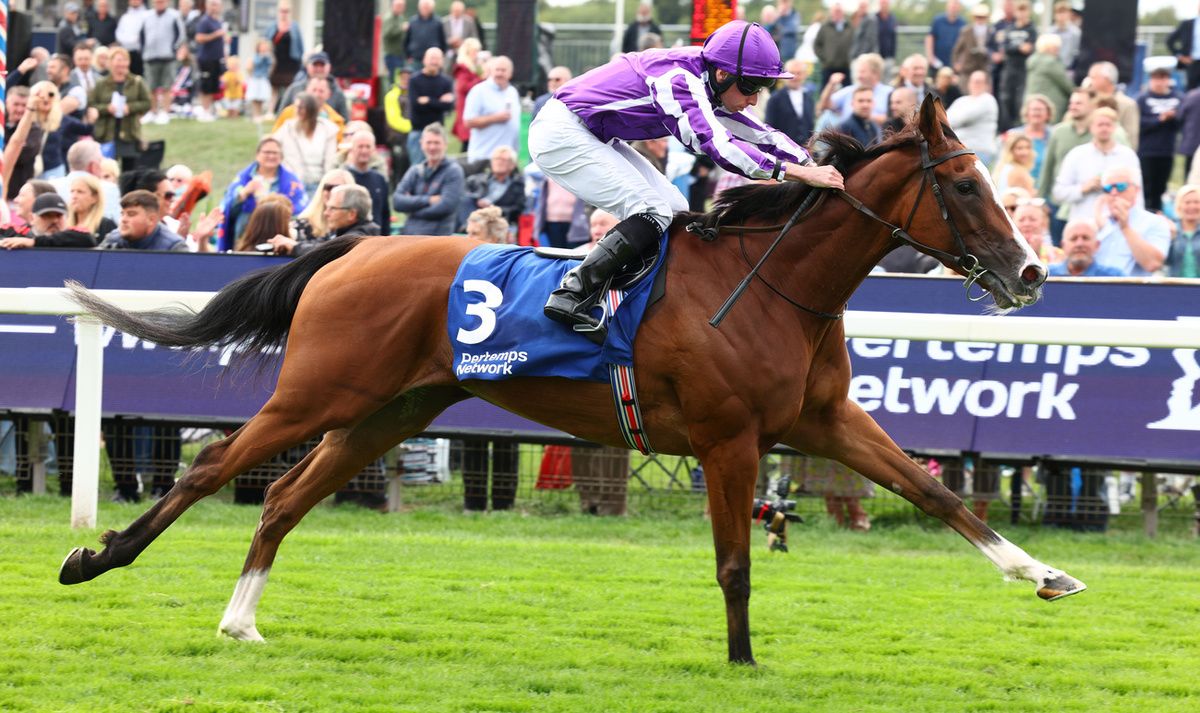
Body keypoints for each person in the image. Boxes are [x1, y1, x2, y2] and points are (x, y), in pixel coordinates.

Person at [530, 20, 842, 339]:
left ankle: (639, 296)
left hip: (593, 134)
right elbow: (719, 146)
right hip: (561, 133)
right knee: (652, 209)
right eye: (750, 87)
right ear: (724, 75)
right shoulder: (678, 79)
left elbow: (761, 134)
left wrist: (812, 163)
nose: (754, 100)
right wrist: (799, 173)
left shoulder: (711, 79)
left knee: (675, 208)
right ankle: (572, 294)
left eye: (762, 89)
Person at [219, 135, 307, 250]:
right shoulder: (243, 179)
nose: (271, 156)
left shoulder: (292, 183)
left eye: (275, 153)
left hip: (279, 237)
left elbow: (300, 210)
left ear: (281, 156)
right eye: (267, 152)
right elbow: (227, 209)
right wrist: (244, 194)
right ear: (257, 155)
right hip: (246, 238)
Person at [1052, 108, 1140, 224]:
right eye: (1100, 124)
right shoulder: (1077, 154)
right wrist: (1083, 188)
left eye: (1108, 124)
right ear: (1091, 127)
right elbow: (1059, 192)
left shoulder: (1128, 155)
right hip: (1084, 224)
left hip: (1119, 224)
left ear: (1114, 128)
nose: (1104, 128)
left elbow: (1138, 193)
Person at [1091, 166, 1170, 277]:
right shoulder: (1095, 223)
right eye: (1108, 188)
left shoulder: (1155, 222)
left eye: (1120, 186)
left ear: (1136, 190)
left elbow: (1153, 264)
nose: (1113, 193)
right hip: (1093, 290)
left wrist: (1125, 228)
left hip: (1132, 291)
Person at [393, 123, 464, 236]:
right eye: (429, 143)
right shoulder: (415, 171)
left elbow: (446, 206)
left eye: (436, 143)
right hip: (409, 235)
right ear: (421, 144)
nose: (432, 147)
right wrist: (428, 200)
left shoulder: (453, 171)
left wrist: (412, 210)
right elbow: (397, 201)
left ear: (445, 145)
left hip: (437, 238)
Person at [269, 168, 354, 254]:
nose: (332, 192)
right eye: (328, 187)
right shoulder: (303, 224)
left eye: (338, 188)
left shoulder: (357, 227)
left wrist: (296, 247)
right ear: (321, 190)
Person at [462, 55, 521, 172]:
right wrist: (495, 118)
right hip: (483, 158)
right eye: (497, 70)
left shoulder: (512, 92)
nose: (499, 73)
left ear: (510, 73)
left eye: (503, 70)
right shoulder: (479, 91)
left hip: (507, 159)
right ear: (491, 71)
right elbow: (468, 122)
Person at [1138, 68, 1183, 213]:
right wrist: (1159, 119)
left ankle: (1157, 214)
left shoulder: (1178, 98)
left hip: (1166, 151)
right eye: (1156, 79)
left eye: (1163, 79)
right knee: (1146, 187)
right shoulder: (1142, 99)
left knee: (1160, 188)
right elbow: (1139, 123)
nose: (1159, 83)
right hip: (1146, 151)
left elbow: (1183, 122)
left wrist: (1173, 118)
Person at [277, 92, 339, 193]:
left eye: (301, 107)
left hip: (319, 184)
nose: (297, 111)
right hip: (293, 184)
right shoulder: (287, 129)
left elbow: (330, 161)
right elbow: (273, 148)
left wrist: (327, 184)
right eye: (296, 107)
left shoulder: (327, 130)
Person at [139, 0, 186, 125]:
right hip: (150, 56)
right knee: (150, 87)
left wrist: (174, 49)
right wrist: (144, 50)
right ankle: (152, 112)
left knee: (166, 86)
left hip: (168, 56)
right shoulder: (146, 16)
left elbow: (180, 35)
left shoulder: (174, 16)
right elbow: (142, 35)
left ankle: (165, 112)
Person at [407, 47, 454, 165]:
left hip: (438, 132)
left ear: (442, 61)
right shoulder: (414, 80)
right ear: (424, 60)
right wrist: (439, 102)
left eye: (437, 58)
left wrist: (428, 100)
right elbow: (416, 105)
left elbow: (449, 106)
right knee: (418, 168)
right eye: (431, 58)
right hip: (418, 132)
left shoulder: (446, 81)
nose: (434, 62)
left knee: (438, 167)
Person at [0, 192, 96, 249]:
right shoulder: (18, 231)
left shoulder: (74, 236)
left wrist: (34, 242)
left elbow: (88, 239)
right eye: (46, 216)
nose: (54, 220)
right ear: (32, 218)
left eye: (59, 216)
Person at [994, 0, 1035, 132]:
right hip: (1009, 69)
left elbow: (1030, 48)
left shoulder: (1031, 29)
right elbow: (1005, 48)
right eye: (1020, 10)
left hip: (1024, 70)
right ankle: (1006, 130)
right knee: (1005, 99)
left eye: (1024, 10)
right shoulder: (1009, 29)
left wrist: (1016, 48)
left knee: (1020, 101)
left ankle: (1019, 128)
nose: (1022, 14)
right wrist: (1019, 47)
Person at [99, 189, 187, 251]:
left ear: (151, 219)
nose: (124, 219)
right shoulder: (112, 240)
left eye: (131, 214)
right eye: (122, 214)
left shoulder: (173, 247)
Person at [462, 145, 523, 229]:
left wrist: (493, 208)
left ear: (512, 165)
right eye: (496, 159)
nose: (499, 162)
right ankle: (467, 227)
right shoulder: (476, 179)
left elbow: (518, 209)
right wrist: (477, 199)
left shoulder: (518, 184)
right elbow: (464, 195)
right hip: (475, 216)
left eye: (503, 160)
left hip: (500, 222)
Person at [819, 52, 890, 125]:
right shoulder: (850, 91)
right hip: (848, 134)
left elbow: (893, 119)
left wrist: (862, 116)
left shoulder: (889, 94)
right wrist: (831, 85)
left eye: (862, 72)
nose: (858, 76)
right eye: (858, 72)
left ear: (875, 73)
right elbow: (824, 106)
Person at [945, 70, 998, 165]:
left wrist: (953, 120)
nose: (975, 84)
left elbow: (962, 119)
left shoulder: (988, 100)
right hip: (957, 151)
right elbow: (944, 121)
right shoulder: (961, 101)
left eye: (979, 82)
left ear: (987, 85)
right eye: (973, 81)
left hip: (979, 152)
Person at [275, 52, 349, 119]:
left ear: (329, 67)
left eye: (322, 65)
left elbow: (344, 121)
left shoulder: (337, 93)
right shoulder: (294, 89)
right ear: (307, 67)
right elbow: (280, 116)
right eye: (315, 65)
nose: (319, 69)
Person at [344, 131, 391, 232]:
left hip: (377, 238)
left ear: (373, 149)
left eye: (368, 146)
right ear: (352, 149)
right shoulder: (344, 178)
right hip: (350, 239)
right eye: (360, 146)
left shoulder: (379, 179)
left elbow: (385, 214)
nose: (364, 150)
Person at [1087, 61, 1139, 151]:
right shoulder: (1086, 101)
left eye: (1093, 77)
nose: (1089, 82)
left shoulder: (1127, 104)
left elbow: (1131, 137)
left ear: (1106, 79)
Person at [1048, 219, 1125, 277]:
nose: (1079, 244)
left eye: (1085, 238)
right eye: (1073, 239)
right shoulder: (1045, 277)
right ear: (1063, 245)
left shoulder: (1114, 278)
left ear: (1097, 245)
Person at [765, 58, 815, 145]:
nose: (794, 77)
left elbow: (810, 125)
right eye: (792, 73)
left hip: (805, 149)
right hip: (783, 149)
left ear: (805, 75)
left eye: (798, 73)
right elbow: (770, 127)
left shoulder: (809, 97)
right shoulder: (775, 99)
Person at [1024, 34, 1071, 123]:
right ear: (1049, 47)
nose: (1058, 51)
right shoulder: (1050, 62)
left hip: (1034, 102)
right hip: (1051, 105)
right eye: (1056, 48)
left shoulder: (1033, 60)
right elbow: (1065, 83)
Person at [193, 0, 226, 123]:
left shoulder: (218, 21)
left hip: (216, 58)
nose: (215, 7)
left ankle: (209, 110)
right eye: (212, 4)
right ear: (207, 6)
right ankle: (204, 110)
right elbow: (199, 37)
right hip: (206, 59)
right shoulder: (204, 21)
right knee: (205, 85)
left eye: (217, 4)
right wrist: (215, 35)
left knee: (213, 86)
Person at [266, 2, 303, 109]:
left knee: (290, 90)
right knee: (274, 90)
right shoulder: (272, 26)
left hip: (291, 64)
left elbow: (300, 45)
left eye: (286, 11)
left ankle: (288, 111)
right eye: (282, 11)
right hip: (275, 64)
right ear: (278, 12)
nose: (284, 13)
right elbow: (265, 42)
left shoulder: (295, 26)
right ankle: (270, 112)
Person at [451, 37, 484, 151]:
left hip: (468, 107)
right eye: (475, 51)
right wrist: (480, 80)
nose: (477, 54)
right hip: (465, 108)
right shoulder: (463, 68)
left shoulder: (471, 68)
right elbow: (463, 87)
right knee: (467, 143)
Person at [952, 3, 991, 93]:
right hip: (968, 69)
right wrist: (956, 63)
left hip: (983, 69)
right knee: (965, 93)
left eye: (982, 17)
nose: (980, 20)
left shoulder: (990, 31)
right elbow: (957, 49)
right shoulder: (966, 31)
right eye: (978, 17)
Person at [66, 172, 118, 239]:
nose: (74, 196)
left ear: (94, 198)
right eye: (72, 191)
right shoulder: (64, 225)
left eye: (80, 192)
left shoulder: (106, 225)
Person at [1013, 196, 1062, 264]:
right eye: (1021, 220)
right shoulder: (1006, 252)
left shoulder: (1058, 254)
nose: (1027, 224)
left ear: (1044, 223)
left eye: (1032, 219)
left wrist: (1037, 252)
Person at [813, 3, 853, 84]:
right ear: (831, 13)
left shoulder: (849, 27)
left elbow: (855, 44)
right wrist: (825, 58)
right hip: (829, 66)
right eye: (835, 11)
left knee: (847, 90)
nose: (837, 13)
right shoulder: (825, 27)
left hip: (845, 65)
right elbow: (817, 44)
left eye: (839, 11)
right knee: (825, 90)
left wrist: (850, 57)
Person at [1168, 183, 1200, 278]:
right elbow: (1163, 262)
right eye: (1187, 202)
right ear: (1179, 205)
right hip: (1176, 287)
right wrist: (1171, 239)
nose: (1192, 207)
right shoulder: (1170, 227)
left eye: (1196, 202)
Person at [1168, 4, 1200, 92]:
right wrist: (1179, 56)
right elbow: (1170, 40)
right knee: (1190, 91)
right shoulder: (1187, 24)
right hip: (1192, 62)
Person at [405, 0, 446, 68]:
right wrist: (408, 56)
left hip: (433, 61)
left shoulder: (438, 22)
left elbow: (443, 40)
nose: (425, 9)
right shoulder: (413, 21)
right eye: (423, 7)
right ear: (419, 7)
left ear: (432, 8)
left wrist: (441, 55)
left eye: (427, 7)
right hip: (416, 59)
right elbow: (407, 40)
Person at [926, 0, 965, 71]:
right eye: (952, 6)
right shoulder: (937, 20)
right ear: (947, 6)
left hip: (954, 63)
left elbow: (965, 45)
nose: (954, 8)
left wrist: (960, 62)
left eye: (956, 6)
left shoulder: (963, 24)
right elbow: (930, 38)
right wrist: (930, 57)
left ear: (960, 8)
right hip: (937, 62)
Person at [442, 0, 480, 69]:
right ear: (451, 10)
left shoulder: (469, 21)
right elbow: (441, 38)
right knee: (447, 68)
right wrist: (450, 41)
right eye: (455, 11)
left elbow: (474, 38)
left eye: (459, 11)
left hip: (465, 52)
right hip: (449, 51)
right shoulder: (444, 21)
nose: (457, 13)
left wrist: (463, 42)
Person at [1047, 0, 1080, 72]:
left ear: (1069, 14)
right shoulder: (1049, 32)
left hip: (1067, 70)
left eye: (1064, 12)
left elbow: (1076, 53)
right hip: (1050, 69)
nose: (1061, 16)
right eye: (1059, 12)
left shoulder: (1075, 33)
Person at [246, 39, 274, 122]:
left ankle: (259, 114)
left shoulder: (268, 57)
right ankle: (255, 114)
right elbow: (252, 65)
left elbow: (271, 64)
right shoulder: (255, 56)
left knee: (261, 98)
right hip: (255, 79)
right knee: (255, 98)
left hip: (263, 79)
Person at [382, 0, 408, 83]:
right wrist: (401, 29)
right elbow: (386, 34)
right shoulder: (389, 18)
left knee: (400, 79)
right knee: (394, 80)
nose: (401, 8)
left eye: (402, 6)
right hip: (391, 55)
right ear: (393, 6)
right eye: (398, 6)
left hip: (400, 54)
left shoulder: (400, 17)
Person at [876, 0, 897, 68]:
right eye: (882, 3)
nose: (884, 5)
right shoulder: (874, 18)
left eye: (886, 3)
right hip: (876, 55)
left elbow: (894, 38)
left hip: (888, 56)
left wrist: (893, 56)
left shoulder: (892, 18)